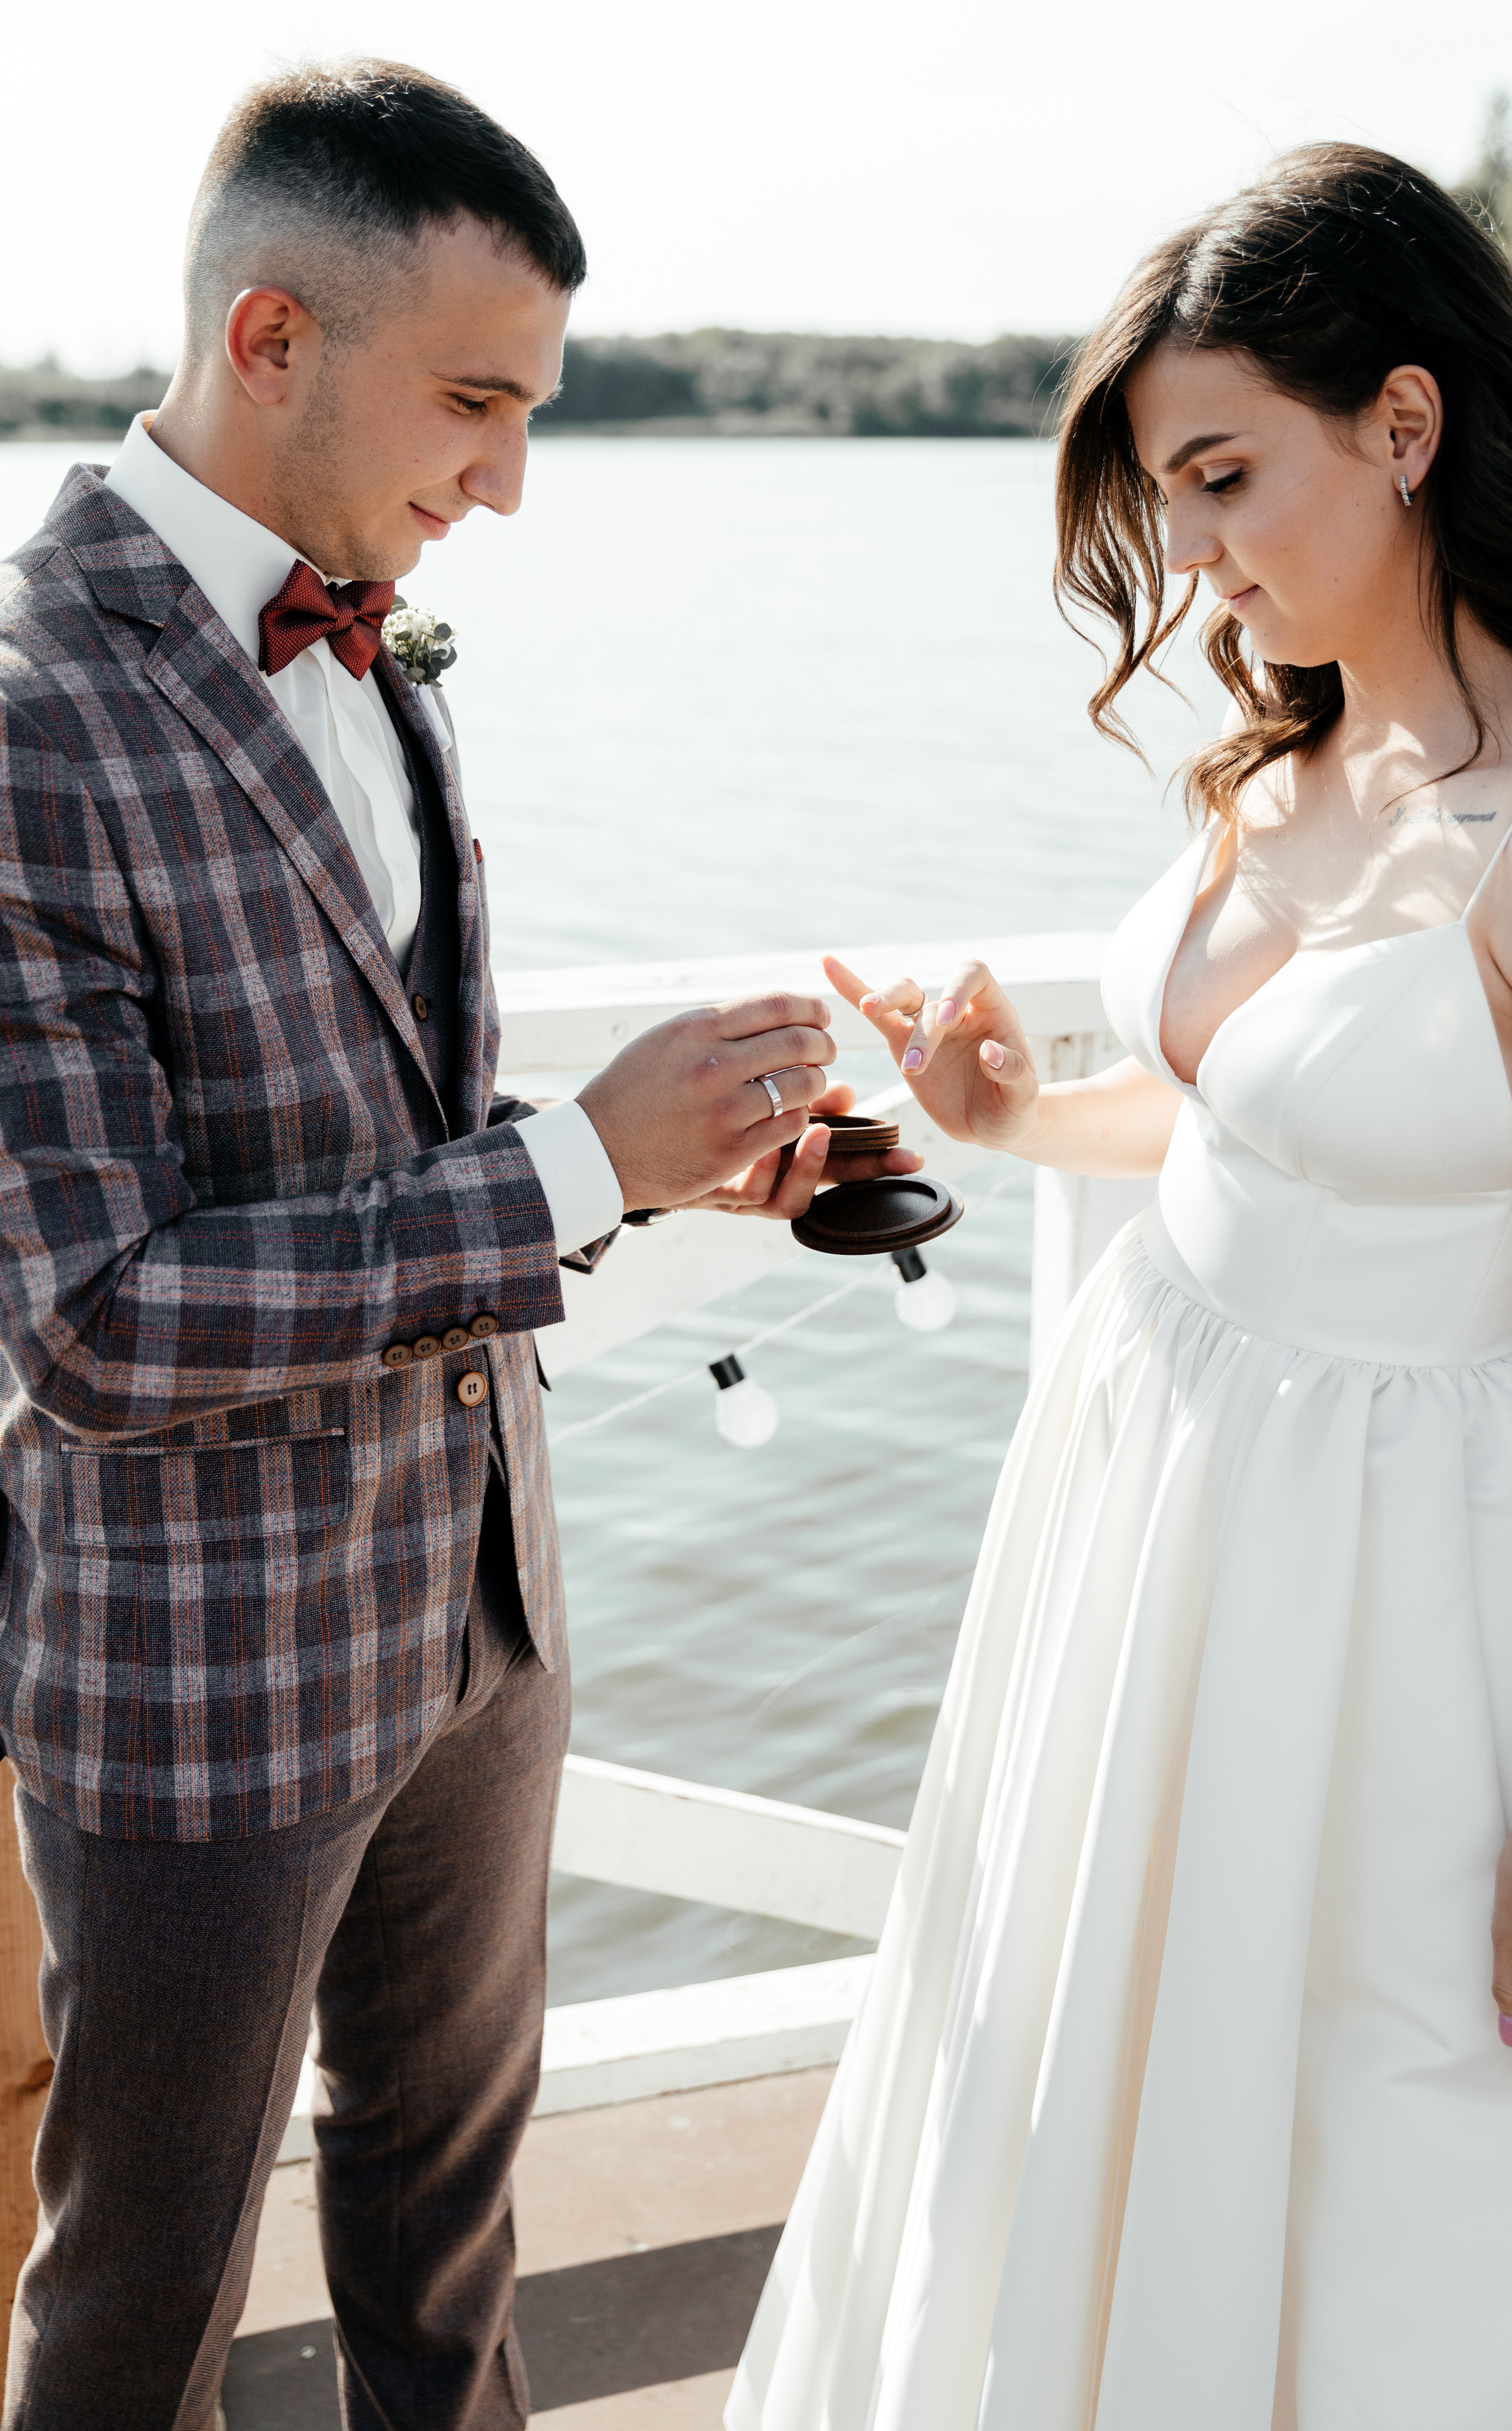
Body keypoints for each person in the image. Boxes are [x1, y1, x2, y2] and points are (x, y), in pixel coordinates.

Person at [0, 58, 916, 2431]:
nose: (510, 477)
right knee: (138, 2320)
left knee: (453, 2262)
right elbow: (96, 1319)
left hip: (487, 1612)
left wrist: (665, 1162)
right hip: (202, 1684)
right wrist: (559, 1177)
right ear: (272, 340)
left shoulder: (379, 631)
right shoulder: (27, 714)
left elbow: (384, 1125)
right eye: (480, 401)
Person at [728, 144, 1512, 2430]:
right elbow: (1242, 1118)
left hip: (1401, 1571)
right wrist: (1020, 1112)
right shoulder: (1289, 745)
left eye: (1226, 478)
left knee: (1385, 2115)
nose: (1200, 558)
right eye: (1170, 494)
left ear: (1406, 427)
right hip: (1136, 1501)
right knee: (1070, 2054)